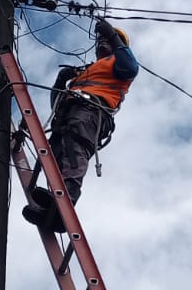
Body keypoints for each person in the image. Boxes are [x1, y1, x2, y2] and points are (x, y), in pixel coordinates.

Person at [23, 19, 138, 232]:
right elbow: (56, 105)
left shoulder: (119, 64)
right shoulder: (87, 71)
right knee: (56, 155)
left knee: (75, 150)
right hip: (69, 113)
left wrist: (112, 35)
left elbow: (131, 67)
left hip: (90, 112)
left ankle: (65, 206)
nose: (102, 42)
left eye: (109, 40)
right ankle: (53, 206)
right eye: (100, 39)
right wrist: (60, 82)